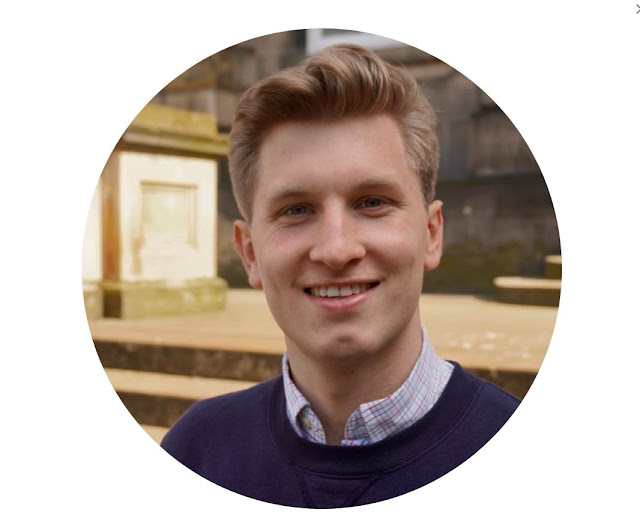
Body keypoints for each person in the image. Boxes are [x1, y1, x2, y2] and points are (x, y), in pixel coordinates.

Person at [161, 43, 520, 508]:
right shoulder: (194, 454)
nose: (336, 250)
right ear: (249, 253)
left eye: (372, 202)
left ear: (431, 234)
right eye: (296, 210)